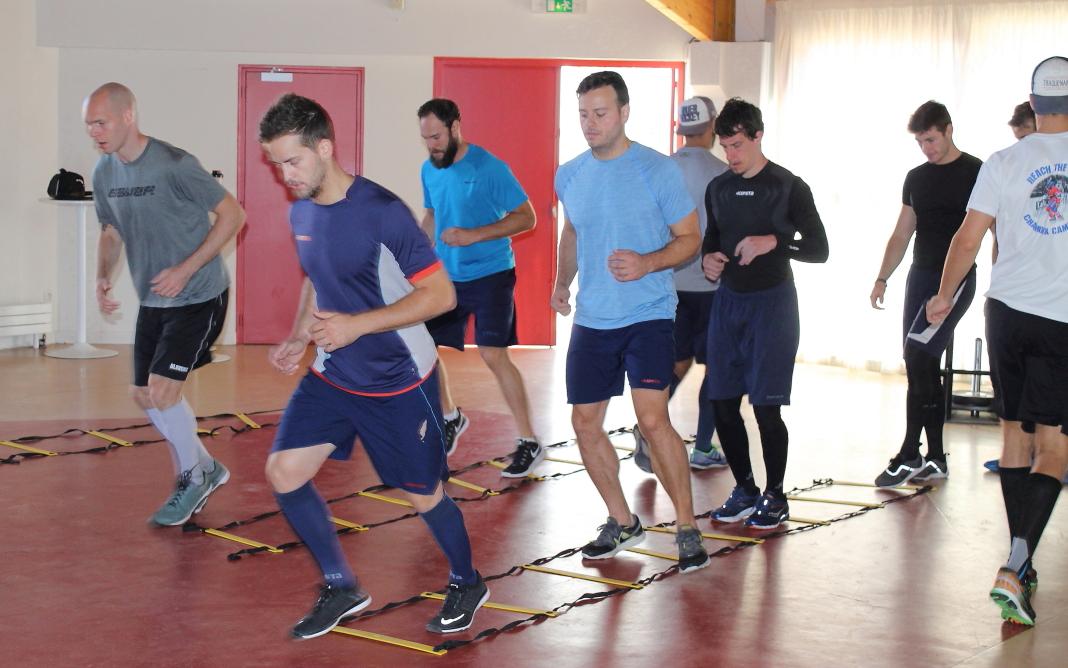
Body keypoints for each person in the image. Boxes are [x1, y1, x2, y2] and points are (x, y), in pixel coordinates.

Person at [260, 94, 487, 639]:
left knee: (422, 492)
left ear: (324, 148)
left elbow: (440, 296)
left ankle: (467, 580)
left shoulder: (382, 211)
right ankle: (342, 585)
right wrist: (298, 335)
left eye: (292, 161)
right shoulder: (301, 211)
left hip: (398, 379)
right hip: (335, 373)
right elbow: (315, 277)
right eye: (276, 165)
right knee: (283, 472)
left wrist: (357, 325)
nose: (285, 175)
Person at [927, 56, 1068, 627]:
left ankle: (1022, 562)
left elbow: (967, 238)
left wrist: (942, 295)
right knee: (1055, 449)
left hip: (1006, 312)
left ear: (1033, 105)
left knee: (1014, 436)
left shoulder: (1005, 162)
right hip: (1061, 319)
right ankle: (1015, 562)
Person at [552, 71, 709, 572]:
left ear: (623, 113)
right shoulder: (569, 174)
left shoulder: (658, 171)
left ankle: (686, 527)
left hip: (648, 312)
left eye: (600, 113)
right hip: (594, 317)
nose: (590, 123)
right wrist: (561, 281)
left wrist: (647, 262)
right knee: (584, 422)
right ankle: (622, 520)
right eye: (583, 114)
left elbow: (690, 239)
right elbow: (573, 231)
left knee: (652, 419)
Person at [86, 82, 246, 526]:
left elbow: (234, 214)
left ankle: (193, 478)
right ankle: (207, 468)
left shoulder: (174, 164)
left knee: (162, 390)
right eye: (89, 125)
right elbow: (111, 232)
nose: (95, 132)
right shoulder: (103, 173)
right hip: (155, 299)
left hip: (199, 293)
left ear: (128, 117)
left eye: (101, 122)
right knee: (144, 394)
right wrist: (102, 274)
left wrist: (187, 268)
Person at [702, 97, 829, 530]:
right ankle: (746, 489)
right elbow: (712, 239)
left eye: (737, 145)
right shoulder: (718, 188)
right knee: (720, 403)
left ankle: (776, 495)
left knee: (766, 408)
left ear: (758, 137)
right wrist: (709, 260)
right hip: (729, 304)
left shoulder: (789, 186)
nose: (731, 156)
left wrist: (775, 241)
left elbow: (819, 249)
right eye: (725, 147)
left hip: (773, 305)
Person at [417, 99, 543, 478]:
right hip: (448, 277)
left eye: (437, 136)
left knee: (493, 354)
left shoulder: (489, 168)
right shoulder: (430, 169)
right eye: (426, 139)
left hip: (491, 275)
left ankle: (528, 441)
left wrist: (473, 235)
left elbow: (527, 218)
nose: (432, 145)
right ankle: (451, 416)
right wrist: (418, 258)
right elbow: (432, 215)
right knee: (422, 348)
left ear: (456, 127)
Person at [869, 101, 982, 487]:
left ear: (949, 130)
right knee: (918, 364)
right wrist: (882, 277)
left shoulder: (976, 172)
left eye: (931, 139)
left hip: (957, 279)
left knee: (919, 356)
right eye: (920, 142)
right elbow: (902, 234)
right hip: (920, 278)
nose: (927, 148)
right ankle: (933, 457)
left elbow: (992, 230)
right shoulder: (916, 177)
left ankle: (908, 453)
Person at [634, 96, 729, 473]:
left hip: (669, 283)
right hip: (712, 286)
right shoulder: (724, 172)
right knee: (716, 367)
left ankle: (648, 425)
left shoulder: (660, 169)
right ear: (713, 127)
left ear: (680, 129)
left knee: (676, 360)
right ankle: (704, 446)